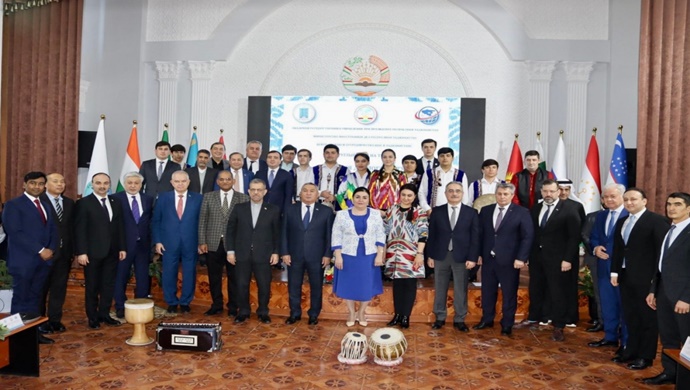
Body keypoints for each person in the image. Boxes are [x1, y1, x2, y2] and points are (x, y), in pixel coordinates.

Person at [611, 188, 669, 370]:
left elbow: (662, 254)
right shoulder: (622, 221)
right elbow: (619, 250)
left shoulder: (657, 221)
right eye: (626, 199)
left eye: (634, 199)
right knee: (631, 317)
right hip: (626, 277)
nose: (629, 203)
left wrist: (655, 282)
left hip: (647, 279)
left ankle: (646, 356)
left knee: (647, 319)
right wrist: (614, 272)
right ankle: (631, 351)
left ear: (644, 201)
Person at [516, 179, 581, 342]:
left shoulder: (569, 209)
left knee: (558, 291)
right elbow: (532, 234)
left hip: (559, 260)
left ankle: (559, 325)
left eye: (552, 191)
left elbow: (574, 237)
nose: (548, 194)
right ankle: (534, 318)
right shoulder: (536, 208)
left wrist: (567, 259)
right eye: (545, 191)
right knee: (536, 288)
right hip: (537, 258)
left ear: (558, 192)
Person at [2, 172, 59, 344]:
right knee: (21, 298)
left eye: (41, 184)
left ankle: (34, 335)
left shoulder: (45, 205)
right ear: (24, 185)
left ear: (44, 186)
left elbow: (53, 230)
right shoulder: (13, 205)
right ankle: (18, 338)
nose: (37, 187)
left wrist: (51, 249)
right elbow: (14, 231)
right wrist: (41, 249)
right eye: (33, 183)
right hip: (23, 262)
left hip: (43, 262)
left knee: (36, 299)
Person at [641, 192, 690, 385]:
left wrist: (687, 297)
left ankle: (685, 381)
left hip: (683, 297)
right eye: (669, 204)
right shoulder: (670, 229)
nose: (671, 208)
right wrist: (654, 290)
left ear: (688, 208)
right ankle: (670, 372)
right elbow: (661, 264)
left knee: (686, 341)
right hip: (664, 293)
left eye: (677, 204)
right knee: (668, 337)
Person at [474, 183, 533, 336]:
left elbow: (527, 237)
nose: (502, 197)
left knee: (509, 293)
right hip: (488, 259)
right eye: (499, 193)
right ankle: (487, 320)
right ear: (495, 194)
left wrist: (521, 258)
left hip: (510, 260)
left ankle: (507, 324)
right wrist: (478, 254)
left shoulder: (522, 212)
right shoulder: (486, 211)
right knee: (487, 292)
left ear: (512, 195)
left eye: (505, 194)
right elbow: (480, 235)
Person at [74, 173, 126, 329]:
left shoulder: (115, 201)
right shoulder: (84, 203)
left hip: (112, 252)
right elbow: (79, 229)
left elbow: (120, 227)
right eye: (98, 183)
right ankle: (92, 317)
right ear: (92, 184)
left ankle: (104, 314)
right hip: (92, 253)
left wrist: (122, 247)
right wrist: (81, 252)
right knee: (92, 286)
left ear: (109, 184)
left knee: (108, 285)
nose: (102, 186)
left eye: (105, 183)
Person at [226, 178, 281, 324]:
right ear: (249, 191)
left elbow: (277, 233)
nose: (256, 193)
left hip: (264, 255)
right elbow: (230, 230)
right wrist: (230, 251)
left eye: (259, 190)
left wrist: (276, 252)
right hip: (241, 254)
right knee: (241, 284)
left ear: (265, 192)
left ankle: (263, 311)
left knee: (264, 285)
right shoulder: (239, 208)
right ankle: (243, 311)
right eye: (253, 190)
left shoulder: (273, 210)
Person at [427, 182, 479, 331]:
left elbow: (475, 237)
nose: (454, 194)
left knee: (460, 288)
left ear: (462, 194)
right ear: (446, 193)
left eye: (457, 191)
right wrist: (430, 256)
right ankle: (440, 317)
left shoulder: (471, 213)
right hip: (440, 255)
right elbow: (432, 235)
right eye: (451, 191)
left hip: (462, 257)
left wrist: (472, 257)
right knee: (440, 287)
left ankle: (459, 319)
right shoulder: (437, 211)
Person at [281, 183, 334, 325]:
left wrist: (327, 254)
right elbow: (283, 232)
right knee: (294, 285)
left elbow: (329, 236)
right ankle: (295, 313)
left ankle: (314, 314)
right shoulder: (290, 209)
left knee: (316, 286)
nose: (308, 193)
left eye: (312, 191)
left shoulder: (326, 211)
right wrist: (284, 252)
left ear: (317, 194)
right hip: (294, 255)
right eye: (305, 191)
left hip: (317, 256)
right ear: (300, 193)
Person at [332, 187, 385, 326]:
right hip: (348, 255)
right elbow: (336, 236)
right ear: (352, 199)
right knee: (350, 284)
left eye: (364, 197)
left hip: (369, 255)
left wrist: (380, 255)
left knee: (366, 285)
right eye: (358, 197)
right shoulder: (342, 215)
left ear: (369, 200)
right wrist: (338, 256)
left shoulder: (375, 214)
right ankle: (351, 312)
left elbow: (380, 234)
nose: (361, 200)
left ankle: (361, 312)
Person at [198, 170, 249, 317]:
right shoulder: (208, 197)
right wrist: (202, 241)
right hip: (212, 243)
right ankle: (217, 305)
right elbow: (203, 220)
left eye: (228, 179)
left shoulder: (243, 198)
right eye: (222, 179)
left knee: (234, 277)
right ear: (218, 182)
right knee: (214, 277)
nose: (225, 182)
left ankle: (233, 306)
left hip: (234, 245)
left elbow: (245, 223)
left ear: (233, 181)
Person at [152, 170, 203, 314]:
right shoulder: (163, 198)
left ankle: (186, 302)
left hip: (191, 242)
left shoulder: (198, 198)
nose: (180, 184)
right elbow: (156, 221)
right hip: (168, 243)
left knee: (189, 272)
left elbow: (202, 222)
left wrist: (201, 242)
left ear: (188, 182)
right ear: (171, 183)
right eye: (177, 181)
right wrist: (158, 241)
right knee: (169, 272)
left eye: (183, 181)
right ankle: (172, 302)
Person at [588, 184, 628, 353]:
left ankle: (625, 343)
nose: (609, 199)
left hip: (623, 269)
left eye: (613, 196)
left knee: (624, 307)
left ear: (622, 197)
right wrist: (596, 248)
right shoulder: (601, 216)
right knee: (608, 304)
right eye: (606, 197)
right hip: (603, 267)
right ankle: (610, 337)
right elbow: (594, 237)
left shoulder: (630, 216)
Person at [383, 183, 428, 329]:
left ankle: (405, 316)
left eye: (409, 195)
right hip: (393, 253)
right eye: (403, 195)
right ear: (399, 195)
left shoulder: (419, 211)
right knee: (397, 285)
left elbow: (423, 234)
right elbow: (385, 230)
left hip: (411, 254)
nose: (406, 198)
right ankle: (397, 315)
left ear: (414, 197)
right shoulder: (392, 209)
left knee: (409, 285)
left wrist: (419, 254)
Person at [112, 172, 154, 319]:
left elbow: (150, 222)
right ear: (124, 184)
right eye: (130, 183)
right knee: (120, 276)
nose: (133, 185)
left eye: (136, 183)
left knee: (142, 276)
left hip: (143, 245)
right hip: (123, 245)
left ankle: (141, 304)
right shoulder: (116, 199)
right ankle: (120, 306)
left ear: (141, 185)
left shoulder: (148, 199)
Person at [38, 173, 74, 336]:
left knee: (59, 289)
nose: (60, 184)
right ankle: (39, 322)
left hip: (64, 254)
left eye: (62, 181)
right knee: (41, 289)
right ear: (45, 184)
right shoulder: (39, 202)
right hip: (44, 255)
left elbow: (72, 228)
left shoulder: (69, 203)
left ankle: (55, 320)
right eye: (55, 181)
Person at [368, 148, 407, 213]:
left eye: (390, 157)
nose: (387, 159)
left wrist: (398, 209)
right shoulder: (375, 174)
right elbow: (371, 192)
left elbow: (404, 192)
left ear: (395, 159)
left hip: (396, 210)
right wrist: (376, 210)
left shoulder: (401, 175)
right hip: (378, 209)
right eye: (385, 157)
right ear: (382, 159)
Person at [314, 144, 349, 210]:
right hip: (317, 204)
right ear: (323, 154)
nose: (330, 155)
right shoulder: (314, 169)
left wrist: (335, 197)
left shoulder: (345, 170)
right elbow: (308, 187)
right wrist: (320, 193)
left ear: (338, 155)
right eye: (327, 153)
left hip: (338, 206)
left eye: (333, 153)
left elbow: (348, 189)